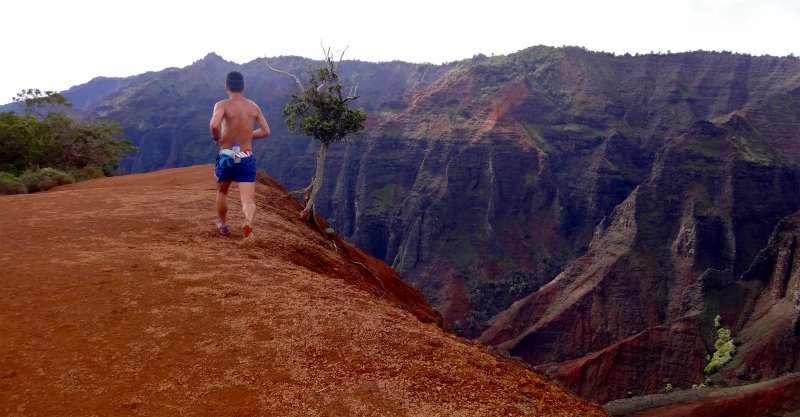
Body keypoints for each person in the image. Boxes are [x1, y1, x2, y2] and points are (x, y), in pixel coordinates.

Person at [209, 71, 270, 245]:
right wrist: (247, 136)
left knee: (222, 191)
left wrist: (216, 138)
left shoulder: (222, 105)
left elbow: (214, 124)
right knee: (248, 200)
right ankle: (248, 224)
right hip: (245, 157)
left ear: (227, 87)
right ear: (243, 87)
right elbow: (266, 131)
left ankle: (224, 225)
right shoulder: (253, 107)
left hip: (227, 157)